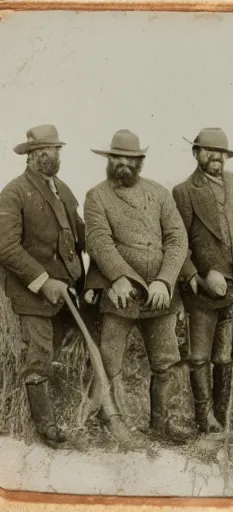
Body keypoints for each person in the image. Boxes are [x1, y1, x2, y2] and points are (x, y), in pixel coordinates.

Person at [83, 129, 196, 444]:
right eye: (117, 157)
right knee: (110, 361)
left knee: (166, 361)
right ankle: (109, 424)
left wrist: (164, 280)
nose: (123, 164)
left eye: (130, 159)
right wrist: (119, 277)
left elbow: (177, 239)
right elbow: (98, 240)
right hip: (121, 294)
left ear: (139, 161)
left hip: (160, 296)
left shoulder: (159, 194)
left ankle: (162, 425)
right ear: (109, 160)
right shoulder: (97, 196)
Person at [172, 128, 233, 432]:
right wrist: (196, 276)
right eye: (208, 151)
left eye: (220, 152)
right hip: (204, 290)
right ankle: (204, 418)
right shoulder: (184, 192)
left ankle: (224, 415)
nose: (216, 157)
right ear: (196, 153)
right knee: (200, 356)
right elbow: (177, 243)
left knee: (228, 353)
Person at [0, 125, 85, 448]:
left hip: (68, 289)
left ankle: (80, 410)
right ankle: (44, 427)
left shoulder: (62, 189)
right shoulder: (14, 193)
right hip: (33, 293)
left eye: (55, 149)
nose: (51, 156)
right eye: (43, 151)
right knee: (39, 357)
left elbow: (79, 235)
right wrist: (42, 281)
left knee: (74, 348)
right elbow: (6, 247)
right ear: (30, 156)